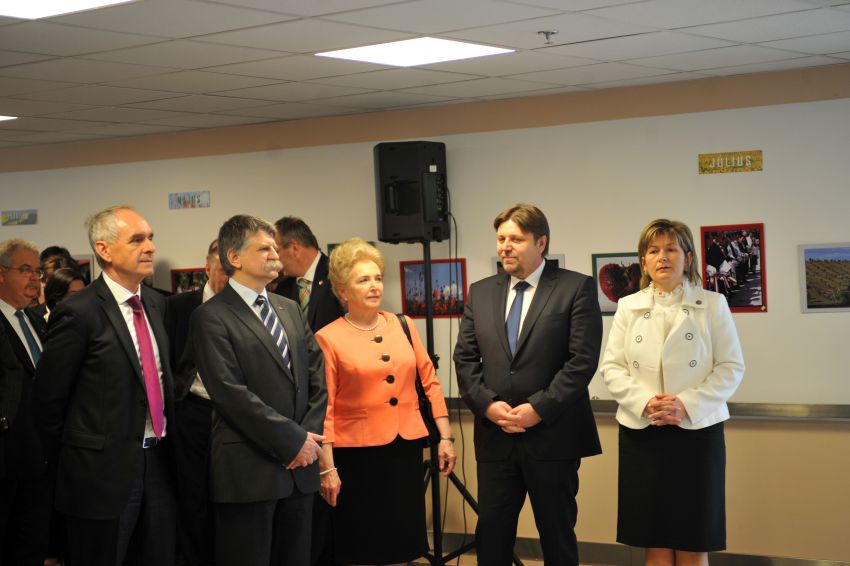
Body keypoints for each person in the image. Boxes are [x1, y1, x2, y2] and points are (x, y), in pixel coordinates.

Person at [454, 204, 602, 566]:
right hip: (496, 435)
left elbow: (581, 362)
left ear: (541, 243)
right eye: (501, 239)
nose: (505, 246)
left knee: (557, 536)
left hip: (553, 437)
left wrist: (538, 409)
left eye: (516, 239)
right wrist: (488, 405)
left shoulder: (575, 287)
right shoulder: (481, 292)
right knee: (492, 536)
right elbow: (465, 359)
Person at [34, 205, 176, 566]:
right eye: (137, 239)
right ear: (104, 249)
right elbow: (48, 402)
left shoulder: (157, 304)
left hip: (159, 462)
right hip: (100, 476)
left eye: (150, 238)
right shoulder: (79, 312)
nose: (150, 247)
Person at [599, 218, 745, 566]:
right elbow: (612, 368)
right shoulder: (628, 306)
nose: (662, 257)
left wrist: (686, 405)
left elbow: (731, 367)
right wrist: (646, 402)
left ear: (688, 257)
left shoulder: (713, 304)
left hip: (697, 431)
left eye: (671, 249)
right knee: (655, 543)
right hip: (643, 431)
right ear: (644, 261)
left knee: (694, 542)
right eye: (653, 250)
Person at [190, 215, 327, 566]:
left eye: (274, 248)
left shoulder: (290, 308)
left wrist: (307, 439)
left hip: (301, 468)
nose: (274, 255)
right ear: (234, 257)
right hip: (249, 471)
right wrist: (292, 442)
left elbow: (316, 375)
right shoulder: (211, 316)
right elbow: (229, 392)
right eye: (263, 249)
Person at [314, 237, 456, 566]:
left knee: (402, 543)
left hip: (404, 450)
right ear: (343, 291)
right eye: (363, 279)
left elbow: (429, 382)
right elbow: (325, 409)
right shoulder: (328, 338)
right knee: (365, 546)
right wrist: (327, 468)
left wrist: (446, 437)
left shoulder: (403, 325)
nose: (374, 285)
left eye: (377, 277)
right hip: (357, 457)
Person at [164, 239, 228, 566]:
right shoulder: (177, 307)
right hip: (192, 411)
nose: (229, 277)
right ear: (207, 266)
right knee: (192, 496)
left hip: (236, 416)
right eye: (222, 268)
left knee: (230, 497)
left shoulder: (247, 308)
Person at [0, 239, 51, 565]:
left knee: (32, 545)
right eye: (25, 270)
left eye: (38, 271)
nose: (34, 278)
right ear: (1, 274)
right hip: (5, 456)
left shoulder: (36, 320)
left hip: (39, 458)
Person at [274, 216, 344, 332]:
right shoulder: (282, 288)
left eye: (277, 251)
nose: (274, 257)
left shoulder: (338, 277)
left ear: (294, 249)